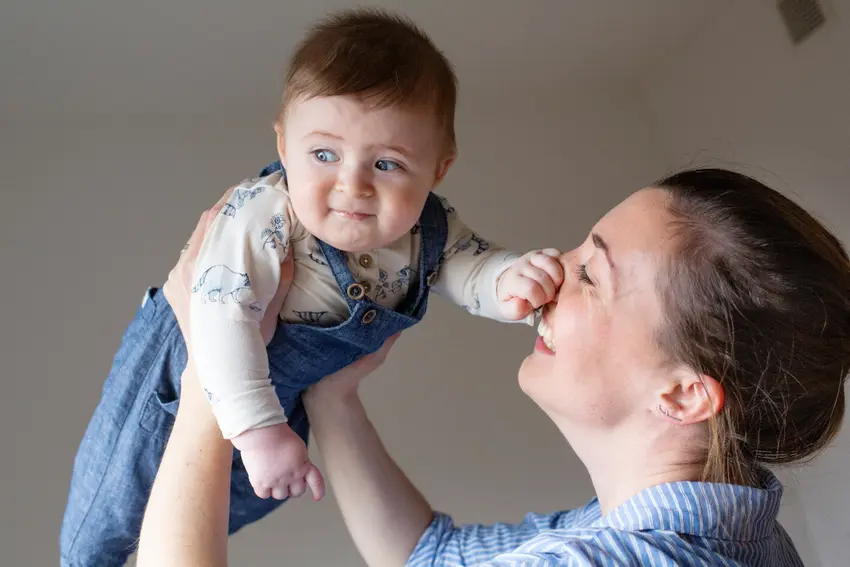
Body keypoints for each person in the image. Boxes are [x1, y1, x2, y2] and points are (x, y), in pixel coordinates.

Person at [140, 168, 850, 566]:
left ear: (685, 394)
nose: (554, 268)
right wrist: (334, 393)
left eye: (591, 275)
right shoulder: (728, 530)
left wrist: (211, 375)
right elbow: (433, 556)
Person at [60, 10, 564, 567]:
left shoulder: (430, 229)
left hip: (281, 406)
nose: (353, 184)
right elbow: (221, 320)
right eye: (324, 154)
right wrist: (257, 430)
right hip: (179, 383)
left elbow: (470, 270)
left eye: (388, 163)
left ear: (437, 171)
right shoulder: (265, 214)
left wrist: (511, 282)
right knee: (106, 522)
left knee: (213, 514)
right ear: (283, 144)